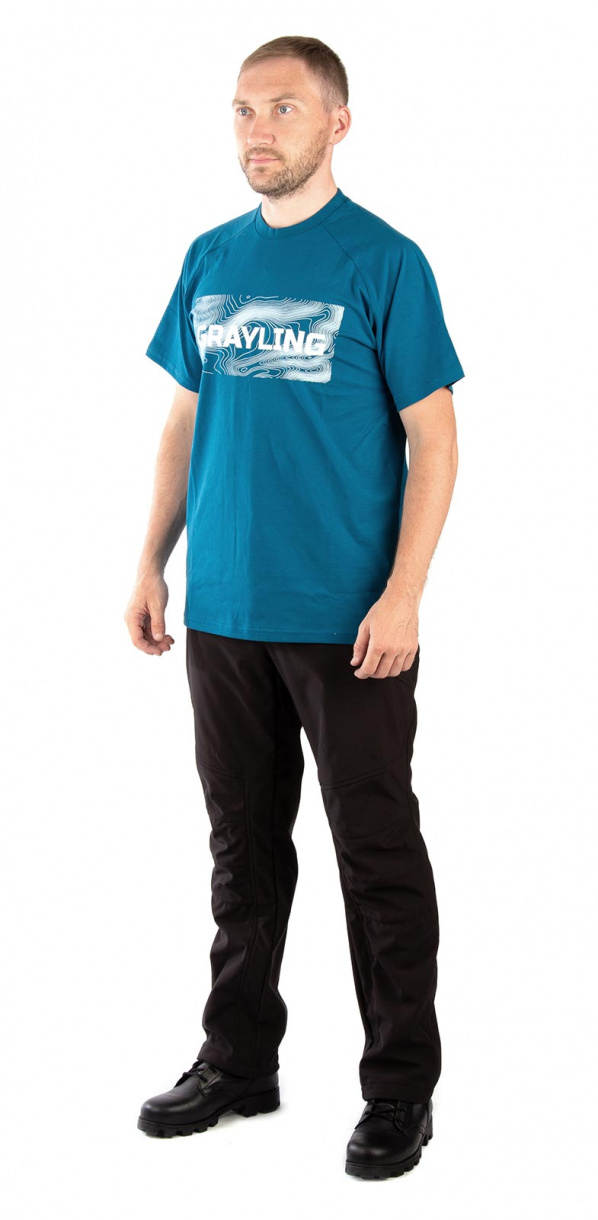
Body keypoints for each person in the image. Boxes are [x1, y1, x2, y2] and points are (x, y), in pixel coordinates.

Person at [125, 34, 465, 1181]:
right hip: (223, 610)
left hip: (346, 620)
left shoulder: (385, 261)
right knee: (242, 850)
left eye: (281, 107)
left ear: (337, 122)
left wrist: (403, 593)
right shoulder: (210, 256)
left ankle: (399, 1088)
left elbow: (434, 439)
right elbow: (185, 420)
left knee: (375, 850)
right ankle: (238, 1059)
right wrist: (150, 560)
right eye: (241, 109)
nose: (257, 129)